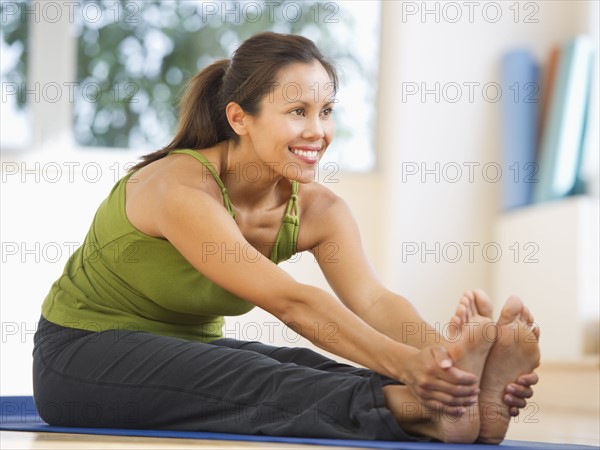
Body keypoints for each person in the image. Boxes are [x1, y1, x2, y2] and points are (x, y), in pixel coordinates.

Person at [33, 32, 540, 444]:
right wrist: (414, 366)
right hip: (82, 357)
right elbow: (292, 302)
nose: (317, 131)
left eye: (326, 111)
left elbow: (373, 298)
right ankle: (432, 412)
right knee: (265, 382)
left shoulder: (319, 209)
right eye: (297, 112)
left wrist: (444, 361)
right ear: (239, 118)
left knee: (303, 367)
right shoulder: (178, 188)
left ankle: (463, 404)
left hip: (188, 352)